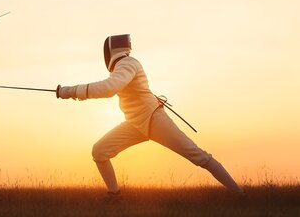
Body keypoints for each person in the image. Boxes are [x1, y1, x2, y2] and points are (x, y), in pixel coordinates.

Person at [56, 34, 243, 197]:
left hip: (155, 119)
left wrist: (70, 91)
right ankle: (114, 195)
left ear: (111, 50)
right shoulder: (124, 65)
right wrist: (70, 92)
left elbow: (108, 88)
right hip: (135, 124)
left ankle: (240, 195)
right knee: (99, 151)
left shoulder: (128, 63)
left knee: (199, 157)